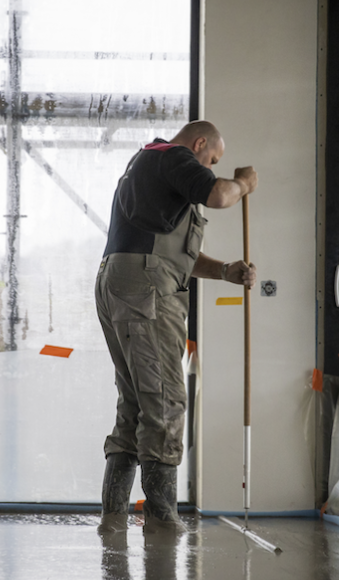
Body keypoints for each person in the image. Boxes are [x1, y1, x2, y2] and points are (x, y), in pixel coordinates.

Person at [95, 120, 258, 534]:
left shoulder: (145, 166)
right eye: (212, 158)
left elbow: (173, 253)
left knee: (135, 404)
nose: (210, 166)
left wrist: (224, 271)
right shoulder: (174, 156)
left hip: (121, 280)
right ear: (200, 143)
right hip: (146, 287)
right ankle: (162, 519)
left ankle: (113, 516)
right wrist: (243, 184)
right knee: (166, 400)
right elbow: (219, 193)